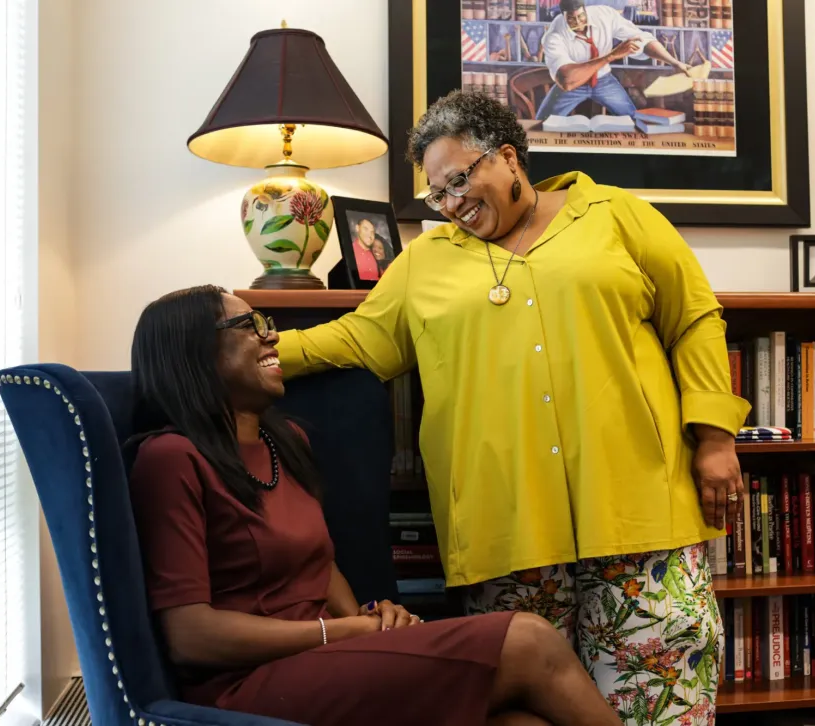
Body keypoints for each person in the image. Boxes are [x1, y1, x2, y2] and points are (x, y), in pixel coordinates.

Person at [276, 91, 749, 723]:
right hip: (507, 527)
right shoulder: (423, 262)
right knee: (530, 714)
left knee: (664, 705)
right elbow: (358, 339)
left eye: (459, 179)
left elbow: (694, 319)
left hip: (640, 515)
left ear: (507, 157)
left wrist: (715, 439)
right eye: (436, 195)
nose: (451, 204)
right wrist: (257, 350)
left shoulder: (615, 215)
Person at [126, 285, 622, 726]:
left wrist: (371, 616)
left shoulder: (286, 440)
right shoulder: (171, 459)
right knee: (528, 640)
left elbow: (316, 564)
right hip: (247, 684)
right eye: (249, 325)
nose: (271, 337)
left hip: (325, 655)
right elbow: (189, 634)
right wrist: (342, 631)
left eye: (266, 324)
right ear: (192, 352)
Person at [537, 0, 691, 121]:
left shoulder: (604, 15)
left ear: (585, 10)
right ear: (563, 16)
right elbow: (566, 80)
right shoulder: (554, 35)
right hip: (573, 84)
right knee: (540, 124)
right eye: (571, 19)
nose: (578, 22)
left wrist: (674, 62)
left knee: (633, 120)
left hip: (604, 80)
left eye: (580, 16)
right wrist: (611, 56)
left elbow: (641, 40)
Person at [351, 217, 391, 282]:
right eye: (365, 229)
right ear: (357, 228)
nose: (370, 235)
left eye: (372, 232)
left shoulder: (375, 254)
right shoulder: (351, 252)